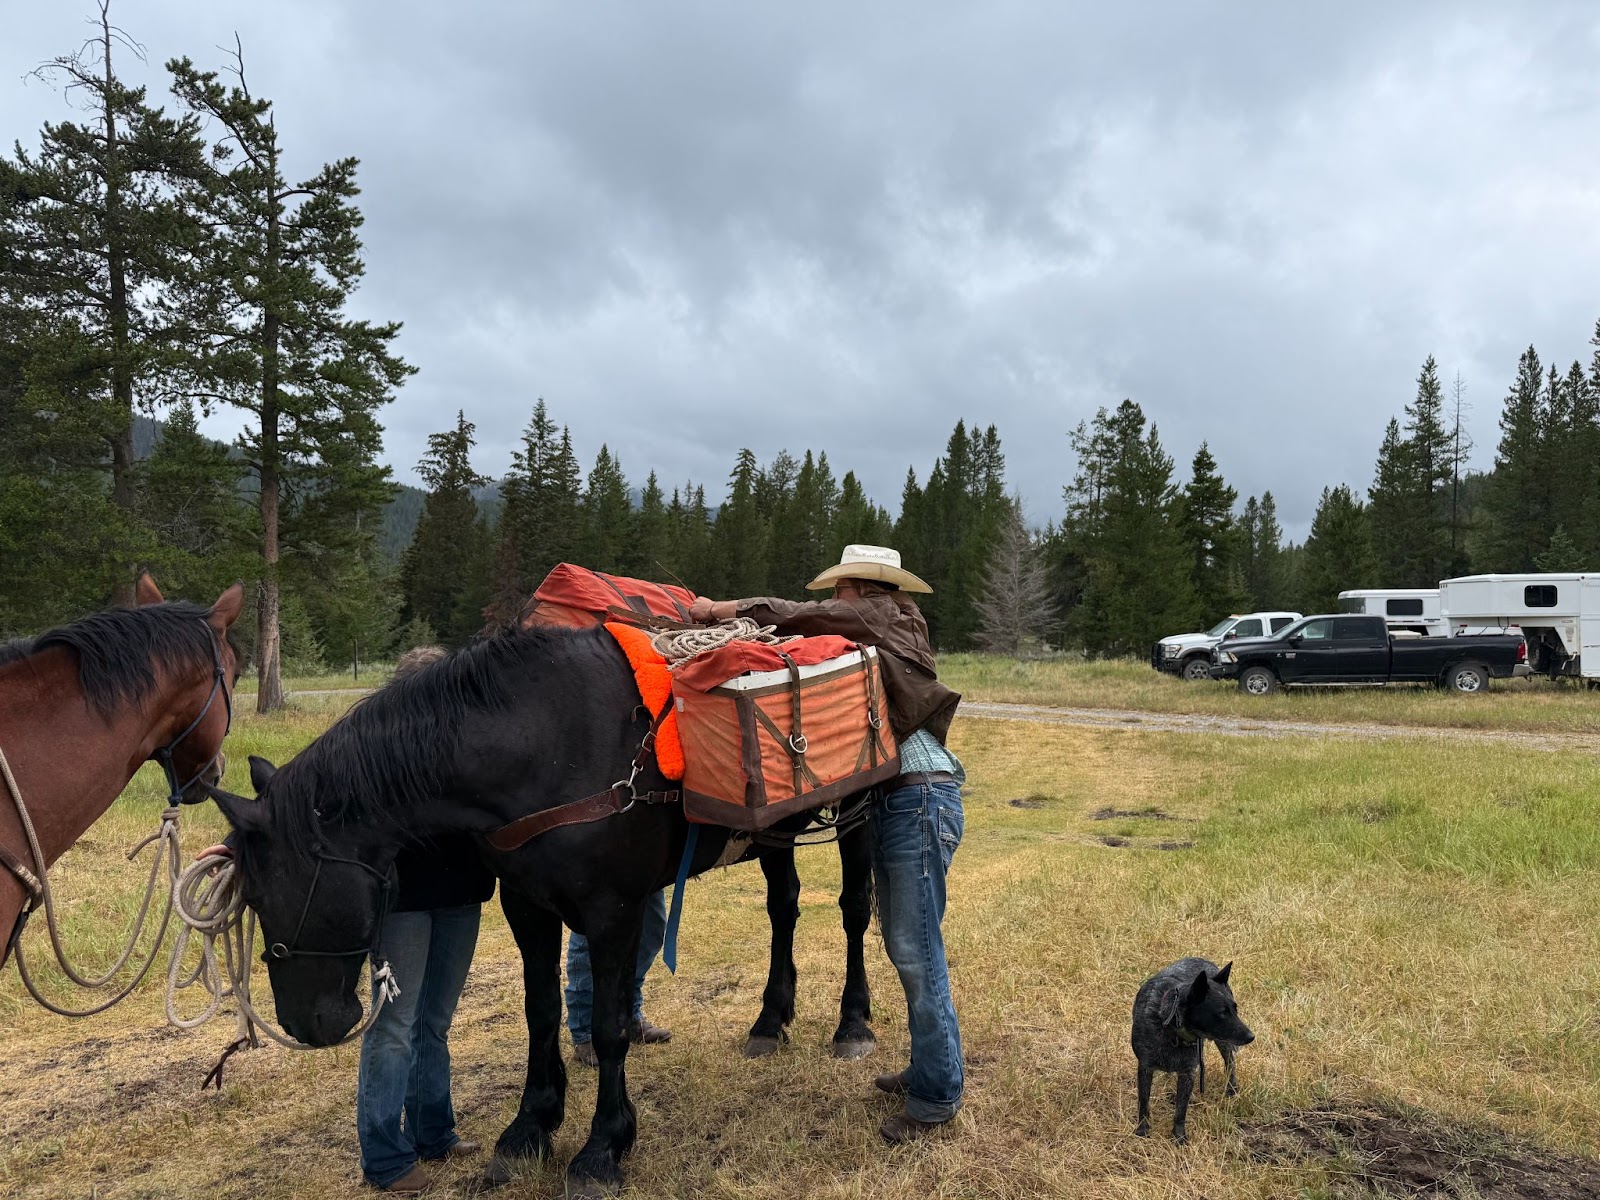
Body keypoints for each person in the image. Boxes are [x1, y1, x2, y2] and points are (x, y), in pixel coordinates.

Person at [688, 544, 965, 1145]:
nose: (832, 597)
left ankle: (937, 1096)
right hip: (904, 799)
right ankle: (926, 1070)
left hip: (918, 798)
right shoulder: (888, 624)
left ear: (861, 588)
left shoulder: (879, 614)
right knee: (903, 943)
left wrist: (720, 609)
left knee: (918, 952)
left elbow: (797, 614)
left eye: (839, 588)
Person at [356, 646, 497, 1195]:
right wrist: (236, 844)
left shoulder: (472, 742)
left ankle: (435, 1133)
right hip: (402, 907)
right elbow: (309, 792)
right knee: (394, 1027)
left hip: (461, 897)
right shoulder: (372, 747)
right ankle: (386, 1158)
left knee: (433, 1022)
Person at [565, 889, 672, 1066]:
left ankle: (628, 1015)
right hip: (595, 867)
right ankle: (583, 1034)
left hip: (645, 866)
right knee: (589, 937)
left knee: (651, 931)